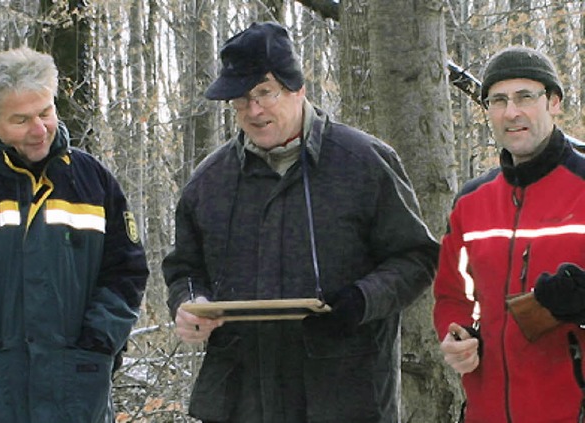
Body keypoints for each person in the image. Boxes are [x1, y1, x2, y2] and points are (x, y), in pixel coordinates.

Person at [162, 21, 439, 423]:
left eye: (264, 93)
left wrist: (363, 299)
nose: (253, 111)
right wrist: (189, 305)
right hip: (240, 397)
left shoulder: (363, 162)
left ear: (298, 88)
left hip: (344, 393)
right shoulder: (209, 182)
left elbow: (416, 257)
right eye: (240, 100)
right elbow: (184, 269)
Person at [0, 46, 149, 422]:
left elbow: (127, 272)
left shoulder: (93, 182)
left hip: (75, 393)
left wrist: (98, 343)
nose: (39, 130)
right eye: (21, 120)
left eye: (46, 112)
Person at [433, 46, 585, 423]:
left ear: (553, 102)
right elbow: (452, 295)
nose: (511, 112)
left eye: (524, 97)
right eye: (497, 100)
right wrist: (456, 337)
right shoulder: (470, 202)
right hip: (486, 412)